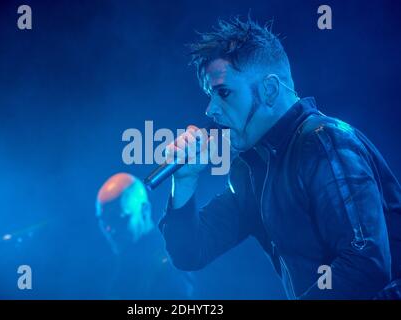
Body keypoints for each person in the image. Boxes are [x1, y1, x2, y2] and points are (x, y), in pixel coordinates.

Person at [158, 16, 401, 299]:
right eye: (210, 96)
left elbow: (365, 262)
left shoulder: (324, 142)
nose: (210, 110)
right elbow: (191, 253)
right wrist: (184, 181)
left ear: (270, 90)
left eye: (223, 93)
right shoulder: (251, 169)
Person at [96, 173, 192, 299]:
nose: (110, 229)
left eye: (118, 219)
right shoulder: (124, 264)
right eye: (104, 222)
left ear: (145, 210)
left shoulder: (170, 262)